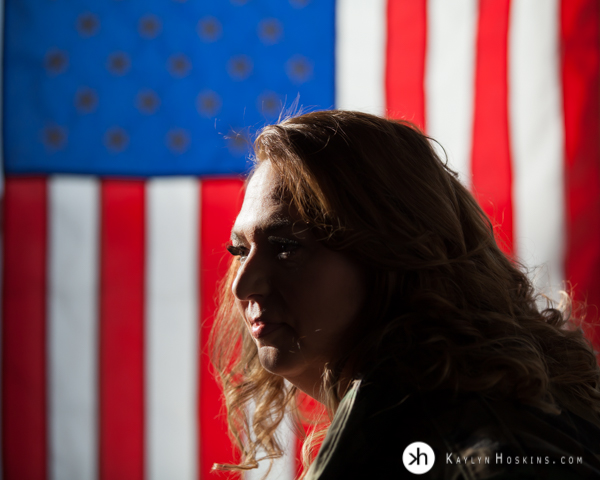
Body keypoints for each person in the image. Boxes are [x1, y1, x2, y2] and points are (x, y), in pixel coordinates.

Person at [210, 110, 600, 479]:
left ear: (395, 253)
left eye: (285, 247)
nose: (242, 286)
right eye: (240, 251)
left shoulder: (485, 455)